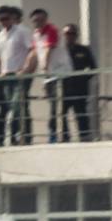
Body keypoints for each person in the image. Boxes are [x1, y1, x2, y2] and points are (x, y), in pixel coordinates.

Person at [0, 6, 33, 144]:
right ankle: (16, 138)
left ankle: (24, 137)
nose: (4, 21)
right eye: (1, 19)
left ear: (12, 19)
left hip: (19, 75)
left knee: (17, 106)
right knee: (11, 107)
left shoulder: (22, 31)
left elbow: (32, 50)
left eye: (7, 18)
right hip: (6, 75)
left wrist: (25, 69)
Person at [27, 9, 71, 143]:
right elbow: (34, 53)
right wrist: (25, 70)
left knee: (58, 107)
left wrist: (44, 67)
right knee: (54, 106)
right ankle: (56, 134)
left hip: (60, 74)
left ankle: (60, 136)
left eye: (41, 20)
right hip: (49, 76)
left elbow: (48, 49)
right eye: (35, 20)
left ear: (46, 19)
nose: (38, 23)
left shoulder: (51, 30)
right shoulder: (35, 34)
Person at [59, 24, 97, 142]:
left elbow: (93, 68)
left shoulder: (83, 50)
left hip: (79, 88)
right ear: (63, 35)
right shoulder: (59, 51)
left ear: (76, 35)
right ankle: (64, 137)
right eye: (67, 34)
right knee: (61, 114)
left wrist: (83, 79)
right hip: (63, 88)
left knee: (80, 114)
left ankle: (84, 137)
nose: (70, 36)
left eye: (72, 33)